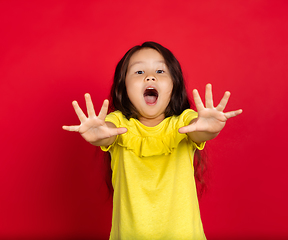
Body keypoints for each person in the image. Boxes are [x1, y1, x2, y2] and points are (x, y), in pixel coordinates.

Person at [62, 42, 242, 240]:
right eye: (139, 72)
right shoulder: (118, 123)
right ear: (124, 87)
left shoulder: (183, 122)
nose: (150, 76)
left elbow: (198, 131)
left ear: (174, 85)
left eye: (159, 70)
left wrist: (208, 128)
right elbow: (108, 132)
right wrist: (98, 134)